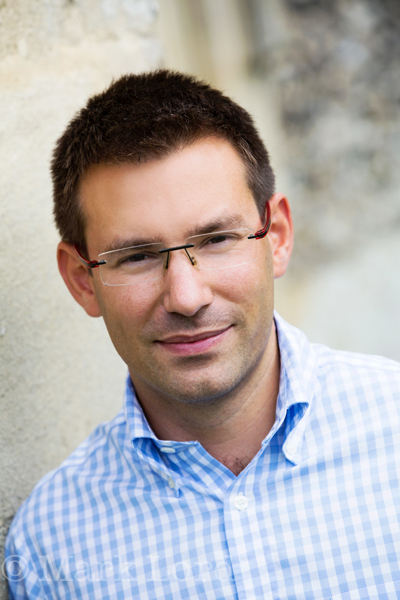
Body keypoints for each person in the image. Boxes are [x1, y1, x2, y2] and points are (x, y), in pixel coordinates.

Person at [5, 70, 400, 600]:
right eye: (138, 256)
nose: (186, 297)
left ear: (277, 238)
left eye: (215, 240)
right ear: (82, 280)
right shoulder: (49, 549)